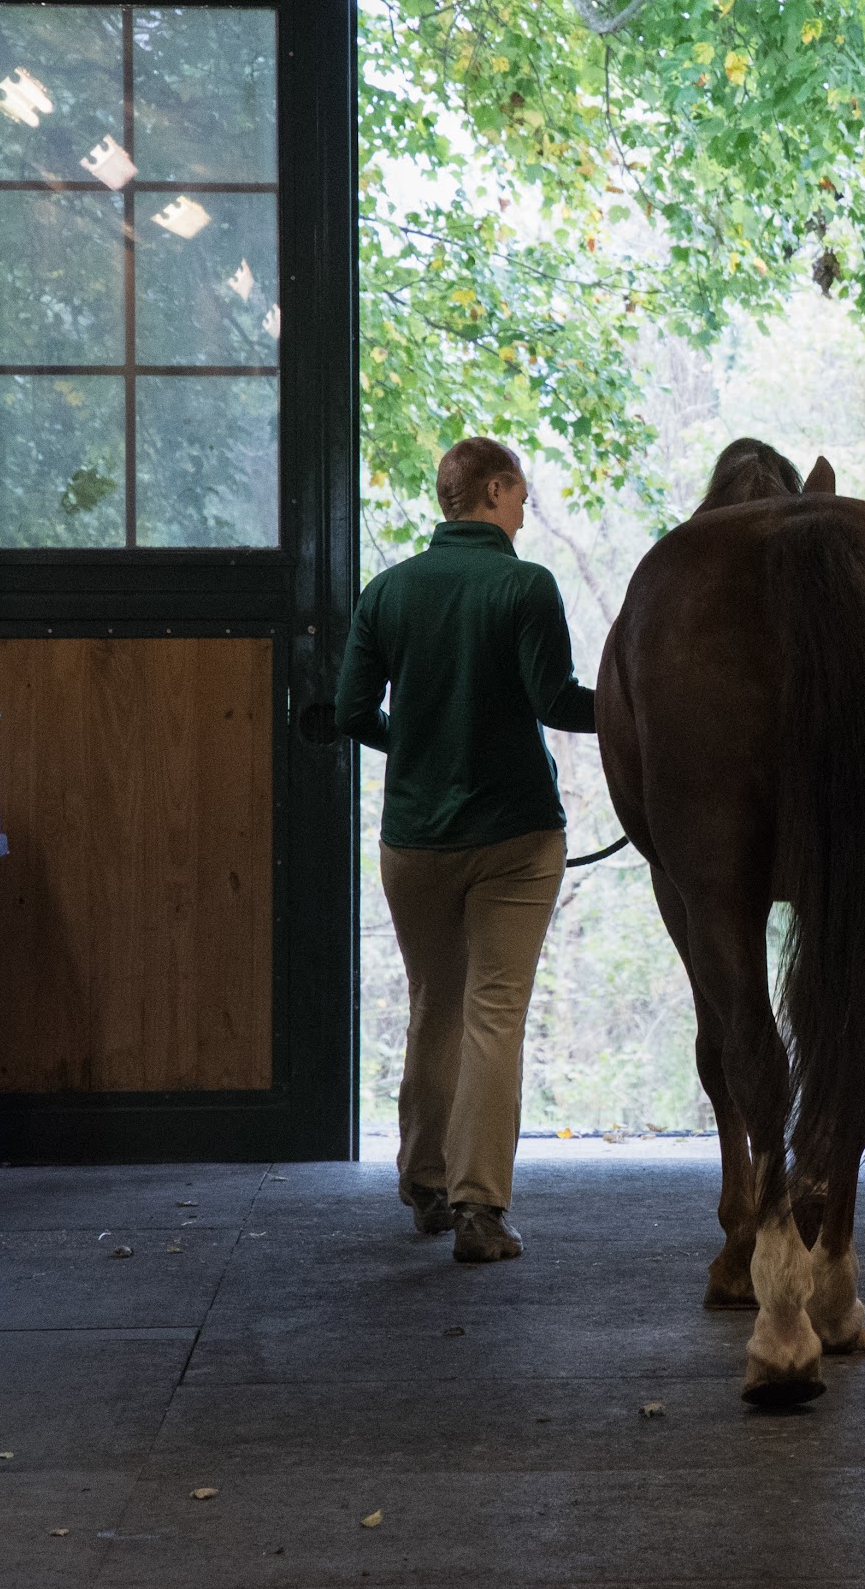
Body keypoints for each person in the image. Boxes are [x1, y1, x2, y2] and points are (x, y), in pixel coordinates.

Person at [336, 437, 598, 1263]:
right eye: (521, 493)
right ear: (494, 489)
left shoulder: (388, 591)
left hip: (413, 841)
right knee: (494, 1014)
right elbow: (556, 702)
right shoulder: (525, 585)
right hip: (516, 838)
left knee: (433, 1002)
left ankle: (424, 1185)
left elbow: (349, 713)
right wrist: (641, 710)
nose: (526, 509)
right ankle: (481, 1212)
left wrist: (413, 743)